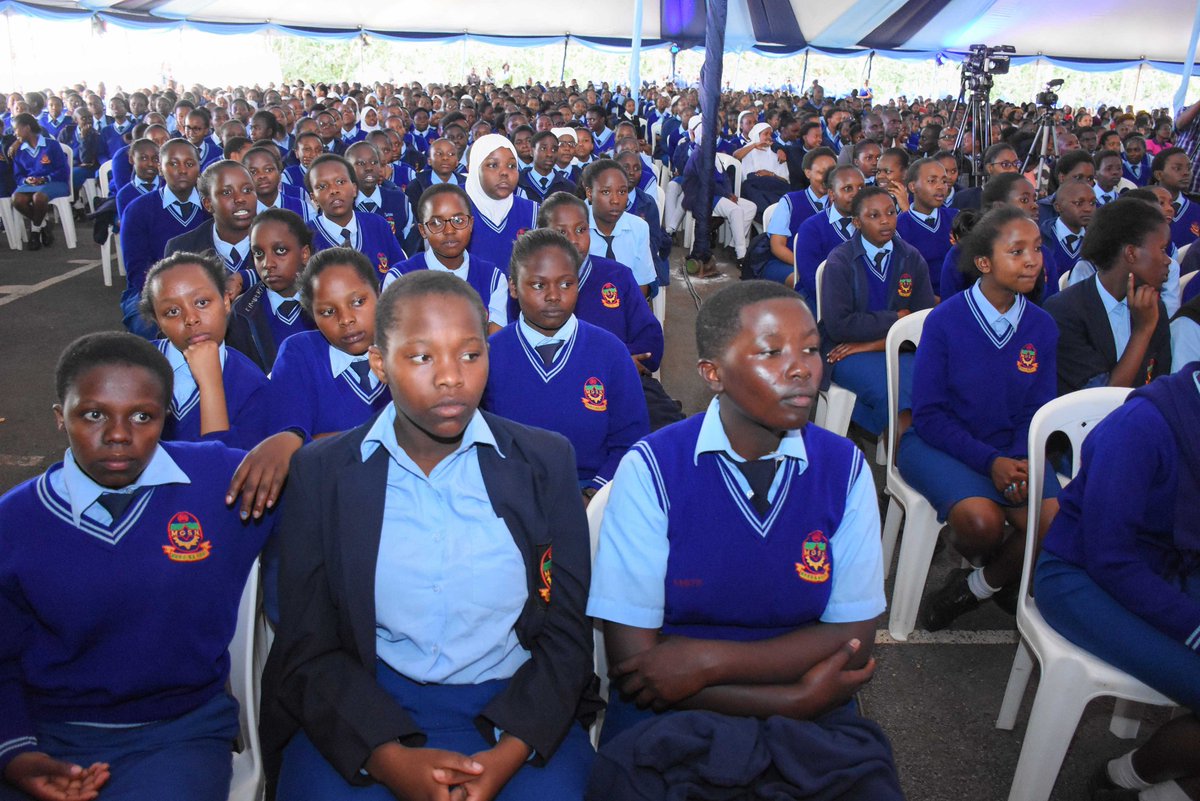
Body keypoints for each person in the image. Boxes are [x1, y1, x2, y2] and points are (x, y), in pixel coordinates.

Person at [259, 270, 598, 800]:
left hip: (515, 706)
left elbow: (567, 632)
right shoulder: (323, 474)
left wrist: (508, 756)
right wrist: (389, 760)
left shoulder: (544, 461)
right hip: (368, 703)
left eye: (470, 354)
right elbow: (308, 642)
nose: (451, 378)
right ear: (379, 364)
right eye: (421, 357)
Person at [586, 280, 902, 800]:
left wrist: (706, 662)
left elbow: (853, 639)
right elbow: (639, 668)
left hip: (806, 712)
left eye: (811, 348)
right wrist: (791, 694)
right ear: (713, 373)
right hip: (670, 718)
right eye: (771, 352)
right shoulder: (653, 467)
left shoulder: (843, 467)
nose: (801, 367)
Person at [0, 331, 284, 801]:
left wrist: (290, 443)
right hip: (47, 731)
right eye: (93, 414)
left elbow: (334, 485)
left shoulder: (218, 483)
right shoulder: (15, 522)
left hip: (178, 731)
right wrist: (15, 753)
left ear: (166, 419)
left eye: (142, 416)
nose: (117, 434)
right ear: (59, 417)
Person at [1035, 366, 1200, 801]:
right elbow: (1111, 558)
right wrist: (1194, 626)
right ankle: (1118, 780)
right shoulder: (1141, 426)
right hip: (1081, 575)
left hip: (1168, 569)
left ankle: (1153, 786)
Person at [899, 206, 1060, 630]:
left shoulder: (1042, 327)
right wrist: (991, 463)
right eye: (1017, 251)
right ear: (985, 263)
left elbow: (1036, 411)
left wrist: (1016, 461)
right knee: (982, 521)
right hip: (941, 444)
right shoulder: (946, 321)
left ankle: (974, 588)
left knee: (1056, 524)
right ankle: (1000, 565)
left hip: (1011, 446)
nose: (1032, 260)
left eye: (1037, 249)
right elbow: (930, 416)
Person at [485, 229, 649, 501]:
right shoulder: (490, 355)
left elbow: (631, 440)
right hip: (510, 497)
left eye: (566, 284)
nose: (553, 295)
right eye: (538, 285)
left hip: (592, 493)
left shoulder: (611, 353)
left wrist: (592, 496)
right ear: (513, 287)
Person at [820, 185, 935, 436]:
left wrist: (875, 343)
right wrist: (896, 318)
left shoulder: (911, 257)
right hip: (844, 351)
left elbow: (923, 321)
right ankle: (902, 458)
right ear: (856, 223)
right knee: (893, 391)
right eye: (873, 216)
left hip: (895, 347)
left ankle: (912, 446)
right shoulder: (840, 261)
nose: (885, 221)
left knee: (935, 380)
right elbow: (839, 326)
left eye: (891, 212)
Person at [138, 252, 269, 450]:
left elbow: (223, 470)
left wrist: (211, 384)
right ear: (158, 322)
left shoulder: (252, 385)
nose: (191, 319)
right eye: (172, 312)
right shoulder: (135, 368)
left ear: (226, 302)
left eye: (202, 303)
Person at [1045, 197, 1173, 395]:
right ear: (1131, 253)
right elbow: (1103, 400)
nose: (1168, 261)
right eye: (1163, 249)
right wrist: (1142, 330)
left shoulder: (1153, 306)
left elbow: (1159, 387)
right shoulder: (1064, 311)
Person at [381, 184, 510, 334]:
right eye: (436, 223)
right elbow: (393, 341)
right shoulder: (399, 279)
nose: (449, 231)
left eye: (458, 220)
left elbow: (494, 342)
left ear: (471, 224)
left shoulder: (492, 278)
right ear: (423, 230)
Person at [120, 140, 210, 339]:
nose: (182, 170)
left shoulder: (211, 207)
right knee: (152, 329)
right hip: (150, 291)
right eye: (173, 163)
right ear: (160, 168)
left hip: (205, 289)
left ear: (199, 167)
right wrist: (168, 297)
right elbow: (136, 267)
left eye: (189, 163)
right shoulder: (138, 210)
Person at [226, 209, 317, 373]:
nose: (268, 264)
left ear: (304, 254)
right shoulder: (241, 313)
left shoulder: (327, 302)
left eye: (280, 251)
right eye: (258, 254)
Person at [164, 160, 260, 299]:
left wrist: (244, 278)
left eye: (247, 190)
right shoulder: (182, 249)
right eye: (227, 192)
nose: (240, 199)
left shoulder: (277, 238)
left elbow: (292, 277)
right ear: (208, 204)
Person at [305, 153, 406, 277]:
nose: (333, 190)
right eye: (322, 186)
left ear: (354, 189)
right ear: (313, 198)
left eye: (340, 182)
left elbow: (401, 273)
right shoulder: (306, 235)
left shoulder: (378, 224)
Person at [760, 147, 837, 284]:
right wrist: (808, 267)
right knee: (812, 283)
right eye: (821, 172)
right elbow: (777, 246)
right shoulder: (790, 201)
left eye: (831, 173)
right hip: (788, 262)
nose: (827, 178)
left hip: (829, 266)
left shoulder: (840, 204)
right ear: (808, 173)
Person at [463, 133, 538, 270]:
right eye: (493, 165)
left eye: (511, 166)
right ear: (474, 169)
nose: (504, 172)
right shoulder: (455, 208)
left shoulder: (533, 211)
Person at [583, 159, 658, 294]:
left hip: (626, 305)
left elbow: (642, 283)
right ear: (589, 193)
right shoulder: (576, 226)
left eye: (622, 192)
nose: (615, 200)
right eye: (606, 192)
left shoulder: (639, 228)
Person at [792, 165, 866, 303]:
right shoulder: (812, 228)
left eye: (861, 188)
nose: (857, 194)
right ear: (832, 194)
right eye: (847, 188)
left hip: (864, 298)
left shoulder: (871, 224)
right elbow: (810, 278)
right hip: (821, 297)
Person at [895, 158, 957, 298]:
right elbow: (901, 279)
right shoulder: (898, 228)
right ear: (912, 187)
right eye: (932, 181)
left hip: (959, 300)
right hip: (921, 306)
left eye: (944, 181)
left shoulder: (956, 218)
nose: (941, 187)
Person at [7, 113, 69, 251]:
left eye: (16, 129)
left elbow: (63, 170)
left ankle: (35, 231)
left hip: (55, 182)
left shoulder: (51, 145)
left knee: (38, 197)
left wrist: (45, 178)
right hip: (31, 185)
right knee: (17, 199)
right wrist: (26, 180)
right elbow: (18, 175)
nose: (14, 133)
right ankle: (44, 224)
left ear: (27, 128)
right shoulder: (19, 150)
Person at [736, 122, 790, 216]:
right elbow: (736, 156)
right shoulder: (748, 150)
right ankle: (769, 215)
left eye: (770, 134)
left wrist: (770, 174)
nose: (769, 137)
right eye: (766, 134)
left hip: (775, 186)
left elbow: (785, 180)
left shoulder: (777, 152)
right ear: (757, 135)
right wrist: (754, 145)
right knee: (748, 187)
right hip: (756, 186)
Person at [1150, 147, 1200, 249]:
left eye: (1189, 168)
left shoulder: (1196, 209)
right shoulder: (1144, 206)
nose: (1186, 173)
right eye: (1177, 168)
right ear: (1159, 175)